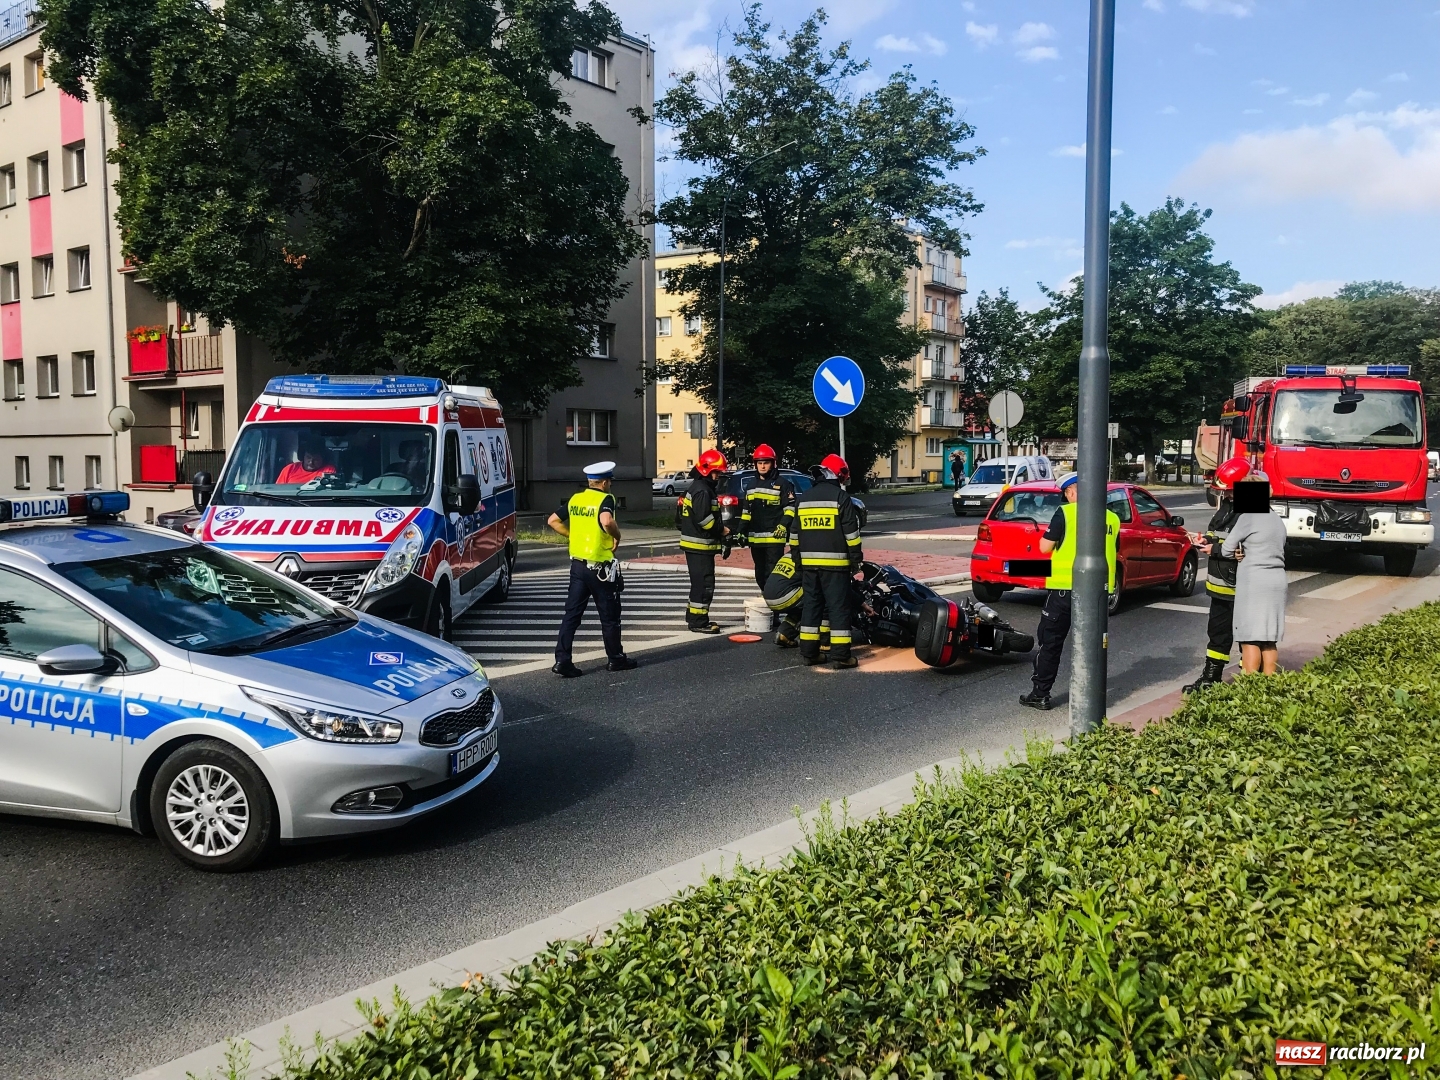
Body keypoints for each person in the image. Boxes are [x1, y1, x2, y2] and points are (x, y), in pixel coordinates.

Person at [1020, 472, 1119, 711]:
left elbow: (1045, 548)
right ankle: (1092, 696)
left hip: (1064, 590)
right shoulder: (1112, 518)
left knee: (1051, 643)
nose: (1065, 497)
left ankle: (1040, 694)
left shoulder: (1065, 513)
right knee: (1093, 644)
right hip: (1098, 592)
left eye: (1066, 493)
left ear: (1073, 492)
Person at [546, 461, 637, 677]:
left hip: (578, 565)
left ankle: (562, 660)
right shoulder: (605, 499)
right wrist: (617, 536)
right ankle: (615, 659)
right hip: (600, 568)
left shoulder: (576, 499)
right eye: (610, 482)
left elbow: (552, 520)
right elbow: (606, 521)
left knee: (571, 615)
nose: (611, 486)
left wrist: (572, 535)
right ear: (604, 482)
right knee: (609, 616)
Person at [1182, 456, 1250, 692]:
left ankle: (1250, 682)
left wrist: (1216, 549)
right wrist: (1205, 540)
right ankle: (1211, 678)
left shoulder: (1254, 511)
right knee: (1218, 633)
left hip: (1241, 586)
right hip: (1221, 585)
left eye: (1230, 491)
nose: (1227, 496)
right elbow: (1218, 533)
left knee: (1247, 635)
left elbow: (1251, 547)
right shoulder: (1228, 508)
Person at [791, 453, 864, 669]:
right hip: (836, 566)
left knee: (812, 607)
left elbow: (794, 535)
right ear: (839, 475)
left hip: (808, 566)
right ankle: (841, 656)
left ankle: (809, 653)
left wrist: (798, 561)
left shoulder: (803, 498)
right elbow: (851, 534)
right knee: (838, 608)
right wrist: (856, 561)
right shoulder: (841, 498)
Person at [1222, 476, 1288, 675]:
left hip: (1254, 582)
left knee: (1249, 637)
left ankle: (1249, 691)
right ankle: (1270, 688)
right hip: (1277, 581)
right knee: (1268, 639)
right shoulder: (1276, 519)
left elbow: (1226, 549)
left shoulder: (1248, 517)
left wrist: (1237, 552)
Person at [739, 444, 798, 643]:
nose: (762, 466)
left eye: (765, 463)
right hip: (756, 539)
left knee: (773, 575)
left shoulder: (783, 484)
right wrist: (740, 532)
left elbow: (790, 509)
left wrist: (783, 525)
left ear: (773, 464)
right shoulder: (750, 486)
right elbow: (746, 513)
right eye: (759, 463)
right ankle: (770, 606)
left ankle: (776, 613)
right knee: (760, 574)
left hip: (775, 538)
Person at [678, 448, 730, 633]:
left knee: (699, 584)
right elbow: (704, 520)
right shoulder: (702, 491)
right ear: (707, 470)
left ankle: (694, 617)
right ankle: (699, 622)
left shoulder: (698, 488)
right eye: (717, 472)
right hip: (700, 545)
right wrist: (723, 530)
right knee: (704, 584)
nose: (718, 476)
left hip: (696, 546)